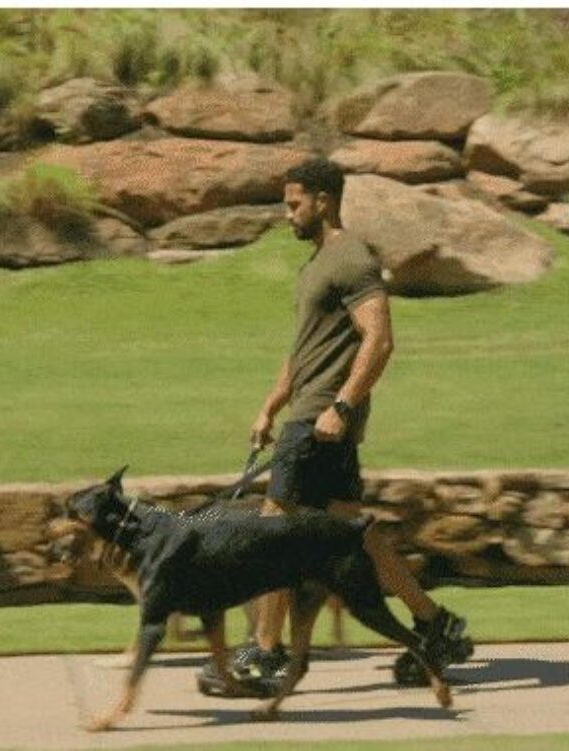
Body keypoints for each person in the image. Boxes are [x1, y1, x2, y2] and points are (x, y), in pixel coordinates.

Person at [208, 156, 471, 691]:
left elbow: (380, 338)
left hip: (322, 422)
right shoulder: (319, 263)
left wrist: (343, 406)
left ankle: (265, 654)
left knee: (273, 531)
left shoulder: (351, 258)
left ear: (323, 201)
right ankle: (434, 623)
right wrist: (269, 406)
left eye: (294, 203)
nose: (287, 215)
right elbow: (304, 352)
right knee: (358, 538)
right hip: (312, 416)